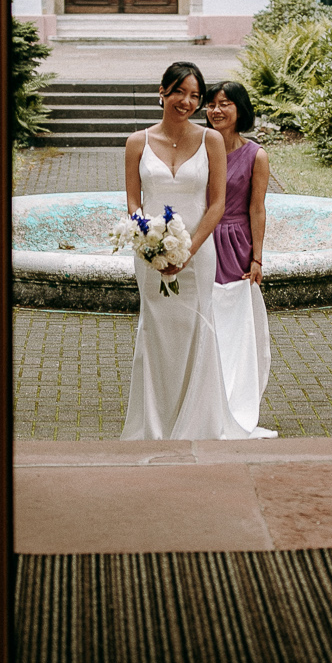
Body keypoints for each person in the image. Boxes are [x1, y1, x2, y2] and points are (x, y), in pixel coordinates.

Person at [120, 62, 264, 440]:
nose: (188, 101)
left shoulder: (210, 141)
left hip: (197, 253)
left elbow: (216, 203)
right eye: (180, 92)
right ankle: (153, 423)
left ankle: (198, 421)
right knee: (155, 330)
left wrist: (189, 249)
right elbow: (134, 202)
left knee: (197, 327)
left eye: (195, 96)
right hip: (150, 254)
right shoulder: (137, 142)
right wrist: (146, 239)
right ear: (163, 92)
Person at [203, 81, 277, 438]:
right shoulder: (198, 146)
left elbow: (257, 208)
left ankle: (235, 402)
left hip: (235, 242)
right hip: (200, 239)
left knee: (234, 326)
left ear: (239, 109)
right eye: (212, 104)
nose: (216, 111)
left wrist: (258, 257)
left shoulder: (255, 156)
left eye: (225, 104)